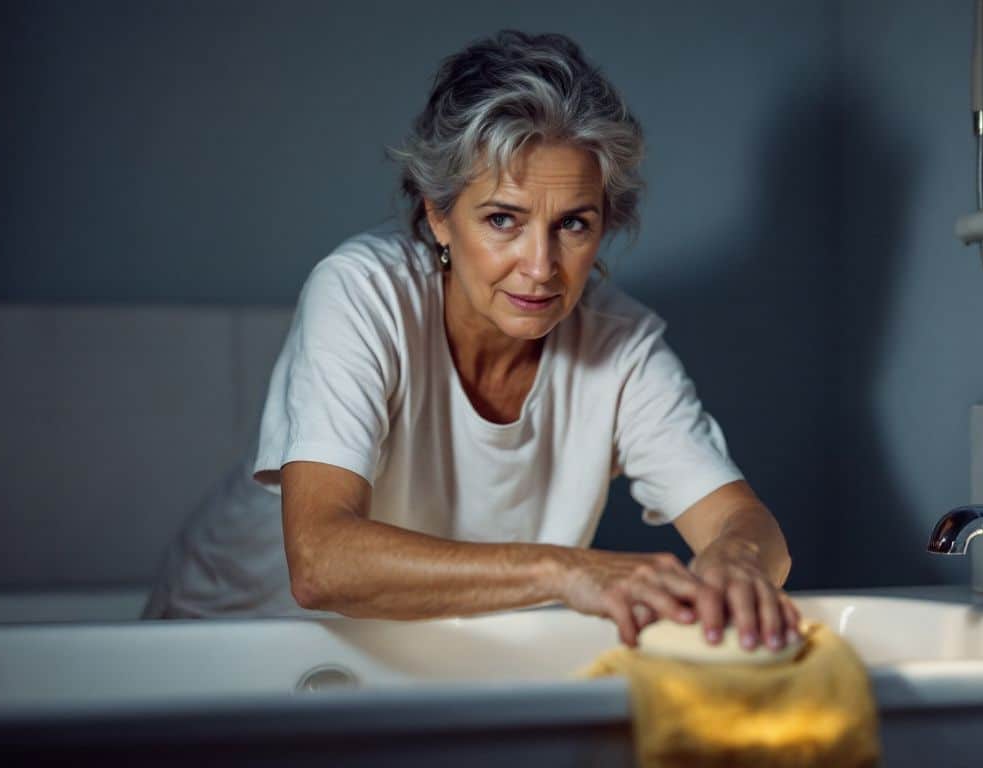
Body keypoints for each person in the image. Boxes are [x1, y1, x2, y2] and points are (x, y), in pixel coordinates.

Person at [145, 29, 798, 652]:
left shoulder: (621, 346)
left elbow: (745, 524)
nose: (540, 266)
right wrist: (563, 572)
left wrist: (737, 565)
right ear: (438, 213)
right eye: (503, 219)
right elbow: (320, 562)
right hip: (228, 645)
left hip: (416, 651)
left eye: (573, 223)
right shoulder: (362, 292)